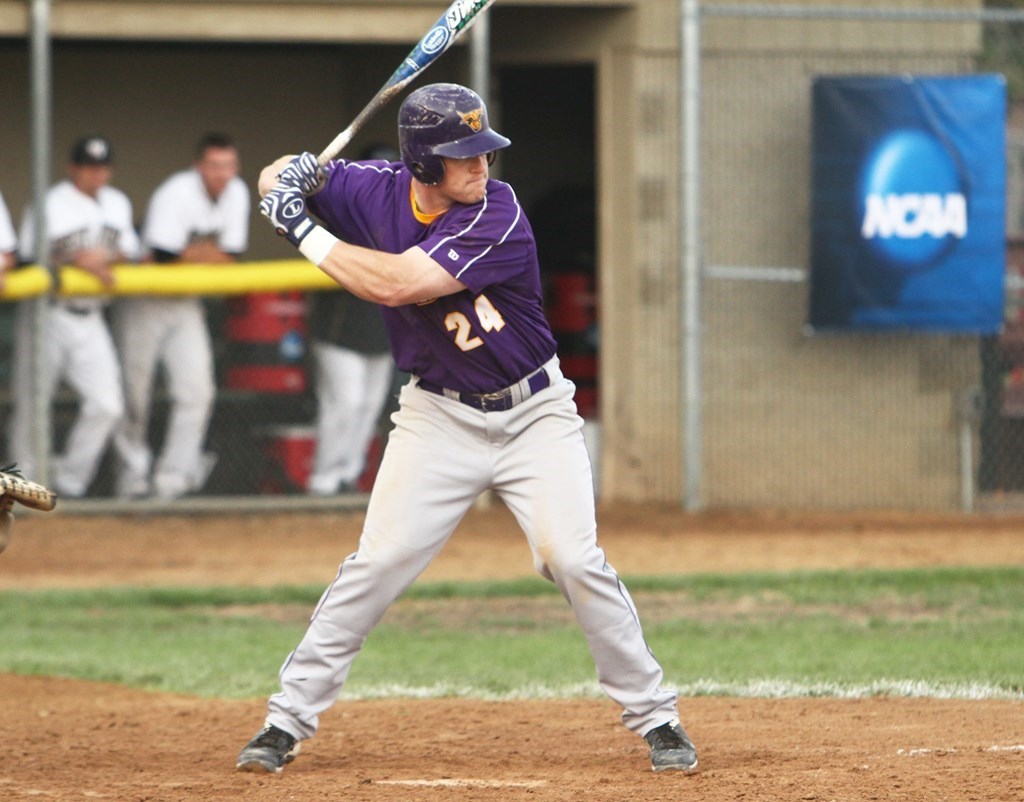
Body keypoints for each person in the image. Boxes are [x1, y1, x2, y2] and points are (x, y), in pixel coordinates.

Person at [236, 83, 699, 775]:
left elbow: (396, 283)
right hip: (437, 416)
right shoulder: (370, 191)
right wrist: (293, 174)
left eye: (484, 152)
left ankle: (657, 717)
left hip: (534, 415)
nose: (482, 165)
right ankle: (284, 722)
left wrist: (301, 228)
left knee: (572, 558)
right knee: (376, 564)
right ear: (423, 163)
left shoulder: (498, 212)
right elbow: (271, 178)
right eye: (464, 155)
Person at [112, 133, 250, 499]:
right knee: (134, 395)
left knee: (197, 392)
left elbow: (232, 256)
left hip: (186, 302)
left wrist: (190, 253)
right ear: (199, 166)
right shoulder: (176, 193)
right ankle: (131, 479)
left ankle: (171, 480)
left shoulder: (237, 192)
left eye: (228, 165)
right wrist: (205, 253)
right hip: (146, 301)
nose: (222, 174)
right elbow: (160, 257)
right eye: (214, 166)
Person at [8, 135, 140, 498]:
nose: (97, 174)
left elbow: (131, 251)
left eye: (102, 167)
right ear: (73, 168)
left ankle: (69, 482)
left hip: (92, 316)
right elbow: (26, 258)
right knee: (32, 406)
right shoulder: (50, 203)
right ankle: (22, 487)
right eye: (89, 167)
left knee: (108, 406)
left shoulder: (117, 202)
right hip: (47, 315)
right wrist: (74, 259)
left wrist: (101, 258)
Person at [305, 145, 396, 497]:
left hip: (383, 334)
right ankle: (323, 480)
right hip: (339, 334)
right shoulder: (341, 212)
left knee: (369, 406)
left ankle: (348, 475)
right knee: (345, 403)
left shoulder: (405, 218)